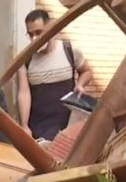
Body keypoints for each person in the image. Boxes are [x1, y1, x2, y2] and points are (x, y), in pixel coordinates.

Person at [17, 9, 94, 141]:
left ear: (50, 28)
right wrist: (24, 126)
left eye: (39, 32)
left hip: (67, 125)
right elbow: (24, 93)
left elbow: (87, 72)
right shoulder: (25, 58)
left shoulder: (69, 50)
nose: (35, 38)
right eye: (30, 34)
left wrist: (80, 84)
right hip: (38, 127)